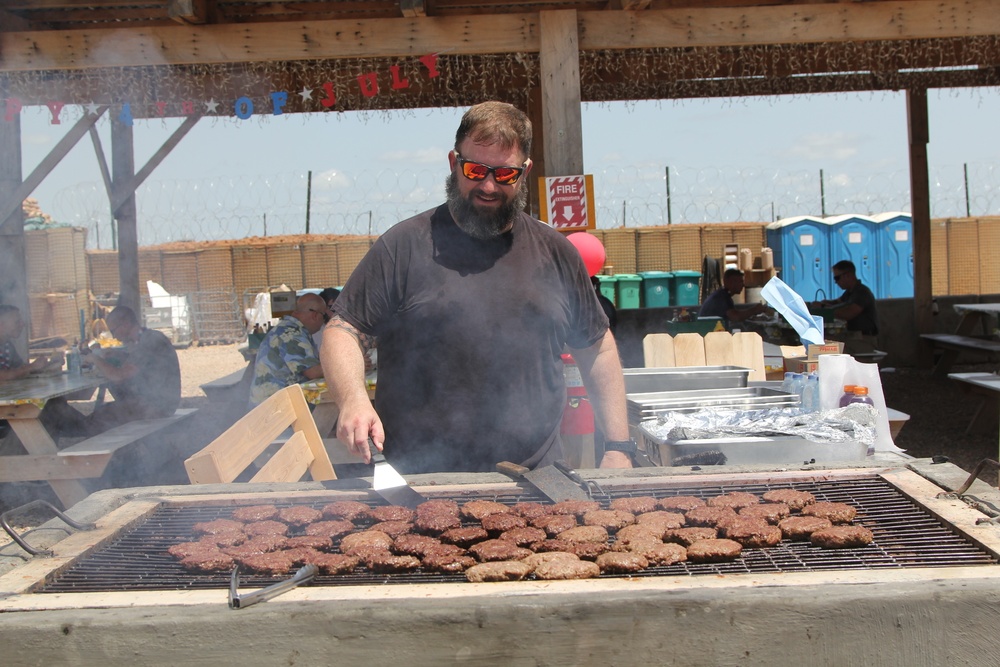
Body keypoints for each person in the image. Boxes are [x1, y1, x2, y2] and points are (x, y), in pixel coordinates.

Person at [321, 101, 633, 475]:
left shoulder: (556, 253)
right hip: (421, 480)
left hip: (538, 480)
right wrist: (353, 398)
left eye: (504, 174)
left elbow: (596, 346)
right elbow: (342, 330)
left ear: (525, 172)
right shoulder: (403, 246)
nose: (488, 186)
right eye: (475, 170)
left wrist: (617, 447)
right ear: (454, 163)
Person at [78, 305, 182, 435]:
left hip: (157, 406)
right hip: (156, 402)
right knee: (100, 416)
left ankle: (118, 453)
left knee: (99, 420)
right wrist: (115, 355)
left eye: (114, 330)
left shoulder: (149, 341)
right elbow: (137, 363)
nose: (114, 337)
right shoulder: (147, 337)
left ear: (126, 324)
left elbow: (118, 376)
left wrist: (95, 359)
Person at [250, 293, 331, 405]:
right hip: (273, 410)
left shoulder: (292, 329)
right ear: (315, 315)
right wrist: (349, 365)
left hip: (274, 405)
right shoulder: (291, 333)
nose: (323, 321)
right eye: (324, 317)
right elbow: (312, 372)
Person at [812, 260, 879, 350]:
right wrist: (823, 303)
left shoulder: (862, 292)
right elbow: (837, 302)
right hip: (854, 338)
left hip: (863, 340)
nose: (836, 282)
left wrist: (824, 308)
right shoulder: (849, 293)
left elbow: (848, 313)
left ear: (847, 275)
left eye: (837, 278)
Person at [699, 268, 771, 325]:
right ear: (730, 282)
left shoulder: (723, 294)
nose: (743, 285)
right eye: (740, 282)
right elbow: (736, 317)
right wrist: (754, 310)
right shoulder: (721, 298)